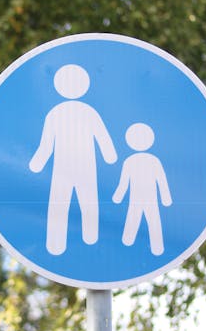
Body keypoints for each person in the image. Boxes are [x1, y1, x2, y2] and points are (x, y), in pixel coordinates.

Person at [29, 64, 117, 255]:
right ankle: (91, 239)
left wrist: (37, 163)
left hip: (64, 169)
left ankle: (56, 244)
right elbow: (103, 139)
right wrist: (110, 156)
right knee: (88, 202)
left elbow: (46, 146)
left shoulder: (55, 113)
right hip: (81, 167)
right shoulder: (88, 112)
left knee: (62, 203)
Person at [112, 123, 172, 256]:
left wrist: (118, 197)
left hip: (141, 199)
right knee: (150, 220)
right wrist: (166, 199)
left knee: (139, 218)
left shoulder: (130, 161)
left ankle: (129, 242)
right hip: (144, 199)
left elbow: (124, 184)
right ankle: (154, 247)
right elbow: (161, 182)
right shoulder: (152, 161)